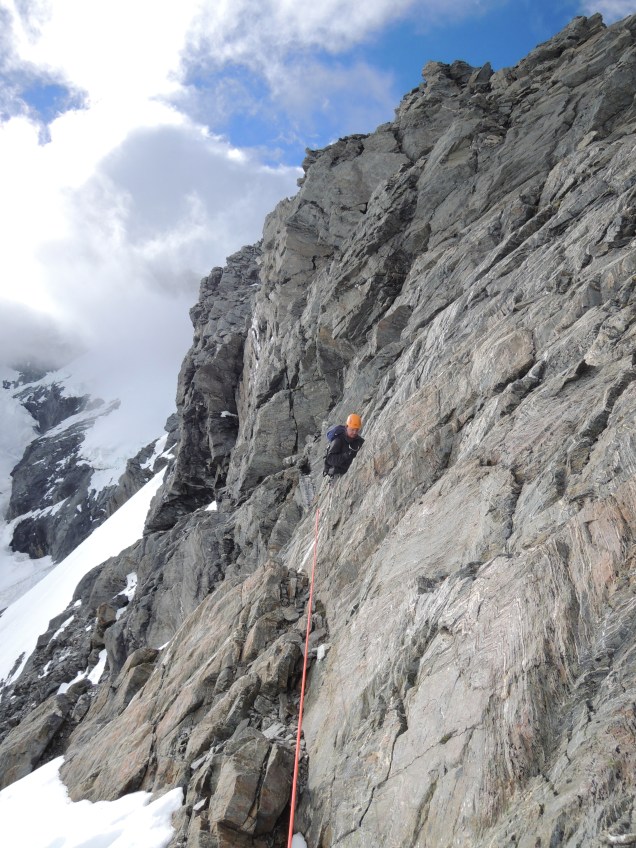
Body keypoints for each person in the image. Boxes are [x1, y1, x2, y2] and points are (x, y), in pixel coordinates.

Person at [324, 413, 365, 479]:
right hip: (337, 473)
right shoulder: (338, 440)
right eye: (352, 429)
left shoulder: (359, 440)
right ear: (346, 427)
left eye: (357, 430)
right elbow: (330, 459)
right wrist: (346, 455)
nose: (354, 432)